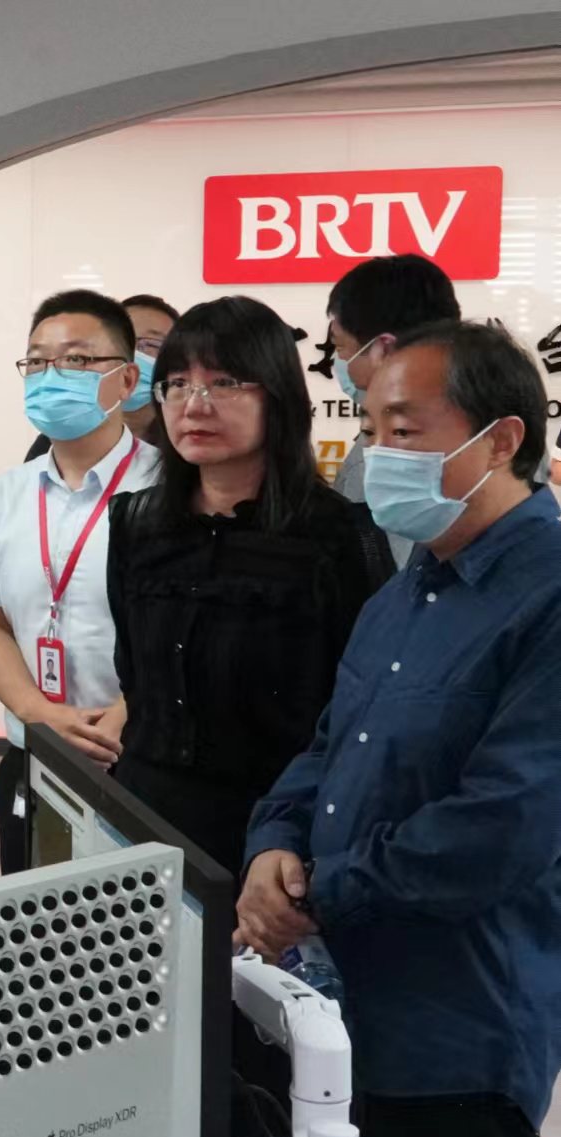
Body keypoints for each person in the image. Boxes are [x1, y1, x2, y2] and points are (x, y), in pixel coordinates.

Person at [237, 321, 560, 1137]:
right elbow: (329, 748)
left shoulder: (548, 596)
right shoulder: (407, 587)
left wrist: (317, 894)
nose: (378, 455)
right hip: (346, 1009)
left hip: (457, 1025)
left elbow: (503, 825)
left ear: (500, 440)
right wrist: (272, 845)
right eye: (371, 428)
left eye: (407, 432)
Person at [106, 297, 392, 876]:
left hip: (275, 838)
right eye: (177, 384)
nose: (195, 405)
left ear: (277, 396)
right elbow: (135, 677)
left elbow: (358, 715)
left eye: (225, 382)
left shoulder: (339, 535)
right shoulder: (135, 522)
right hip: (141, 825)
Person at [0, 291, 159, 877]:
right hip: (33, 755)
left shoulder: (170, 488)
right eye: (37, 361)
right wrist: (36, 712)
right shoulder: (5, 493)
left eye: (76, 359)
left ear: (127, 379)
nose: (52, 375)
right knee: (34, 922)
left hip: (138, 757)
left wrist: (132, 710)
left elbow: (190, 633)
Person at [325, 254, 461, 567]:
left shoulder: (399, 452)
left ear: (383, 350)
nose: (340, 362)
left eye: (341, 347)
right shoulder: (478, 421)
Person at [25, 293, 177, 459]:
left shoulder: (182, 444)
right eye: (127, 342)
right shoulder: (49, 445)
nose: (133, 354)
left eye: (150, 344)